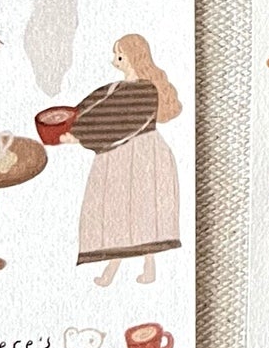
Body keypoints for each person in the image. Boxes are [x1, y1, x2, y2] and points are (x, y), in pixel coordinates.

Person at [60, 35, 182, 285]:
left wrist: (80, 137)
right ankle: (115, 269)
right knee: (118, 213)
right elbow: (89, 110)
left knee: (138, 212)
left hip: (139, 155)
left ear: (132, 56)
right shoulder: (114, 88)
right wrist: (70, 127)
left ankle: (140, 268)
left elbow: (119, 123)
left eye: (120, 54)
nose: (115, 59)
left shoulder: (144, 90)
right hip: (118, 156)